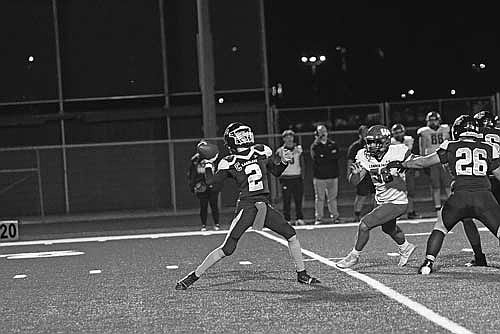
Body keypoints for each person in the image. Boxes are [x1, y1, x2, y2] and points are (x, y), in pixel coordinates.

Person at [175, 122, 320, 290]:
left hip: (259, 206)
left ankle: (301, 274)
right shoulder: (260, 151)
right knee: (228, 248)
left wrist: (208, 163)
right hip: (249, 206)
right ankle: (194, 276)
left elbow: (212, 184)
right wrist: (283, 162)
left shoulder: (230, 160)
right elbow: (276, 171)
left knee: (290, 234)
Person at [394, 115, 500, 274]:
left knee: (441, 227)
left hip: (459, 196)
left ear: (457, 130)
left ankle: (428, 263)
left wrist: (403, 164)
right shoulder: (488, 147)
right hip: (484, 196)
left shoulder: (450, 145)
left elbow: (423, 162)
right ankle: (479, 256)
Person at [336, 125, 416, 269]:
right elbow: (354, 182)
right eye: (370, 141)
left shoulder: (399, 150)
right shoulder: (363, 154)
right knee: (389, 228)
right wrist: (355, 174)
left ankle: (354, 256)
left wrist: (404, 167)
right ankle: (406, 247)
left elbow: (417, 163)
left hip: (397, 201)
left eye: (375, 142)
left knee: (365, 225)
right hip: (381, 199)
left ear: (386, 141)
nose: (371, 145)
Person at [459, 110, 500, 267]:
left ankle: (479, 255)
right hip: (497, 177)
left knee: (467, 218)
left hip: (480, 181)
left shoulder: (473, 136)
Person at [417, 111, 451, 212]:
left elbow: (450, 144)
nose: (433, 122)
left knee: (448, 184)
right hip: (431, 161)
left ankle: (451, 204)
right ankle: (437, 206)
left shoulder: (445, 129)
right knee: (435, 186)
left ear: (439, 120)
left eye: (434, 120)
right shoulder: (424, 132)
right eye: (431, 120)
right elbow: (422, 148)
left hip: (444, 160)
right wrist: (423, 162)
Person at [188, 140, 221, 231]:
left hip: (212, 185)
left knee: (214, 205)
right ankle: (203, 225)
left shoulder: (214, 158)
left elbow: (219, 172)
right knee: (203, 206)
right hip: (201, 186)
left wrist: (217, 184)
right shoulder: (195, 160)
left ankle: (216, 223)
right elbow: (191, 174)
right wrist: (193, 186)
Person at [310, 124, 340, 224]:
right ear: (317, 134)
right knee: (320, 198)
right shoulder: (315, 146)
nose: (323, 133)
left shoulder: (333, 144)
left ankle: (335, 217)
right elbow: (317, 159)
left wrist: (325, 156)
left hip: (332, 176)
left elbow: (336, 156)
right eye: (321, 132)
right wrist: (328, 156)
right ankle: (319, 218)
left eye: (324, 131)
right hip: (320, 177)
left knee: (332, 198)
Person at [275, 129, 305, 226]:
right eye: (286, 137)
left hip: (297, 177)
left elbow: (302, 163)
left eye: (290, 137)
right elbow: (277, 164)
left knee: (298, 199)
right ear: (283, 139)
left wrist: (302, 175)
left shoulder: (299, 149)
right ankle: (287, 219)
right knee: (286, 200)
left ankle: (299, 218)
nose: (289, 139)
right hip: (286, 178)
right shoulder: (280, 151)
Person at [391, 123, 420, 219]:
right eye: (396, 132)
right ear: (393, 134)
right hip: (396, 171)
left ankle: (410, 212)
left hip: (409, 169)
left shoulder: (409, 140)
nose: (399, 134)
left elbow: (414, 155)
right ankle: (396, 214)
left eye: (400, 132)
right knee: (397, 193)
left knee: (410, 192)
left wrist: (416, 168)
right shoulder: (390, 142)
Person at [346, 125, 375, 222]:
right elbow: (350, 161)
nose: (366, 134)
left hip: (373, 173)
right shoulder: (355, 146)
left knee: (376, 195)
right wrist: (349, 173)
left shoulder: (374, 144)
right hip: (362, 173)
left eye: (368, 132)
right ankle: (357, 215)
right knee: (361, 195)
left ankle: (376, 214)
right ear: (360, 134)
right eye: (364, 133)